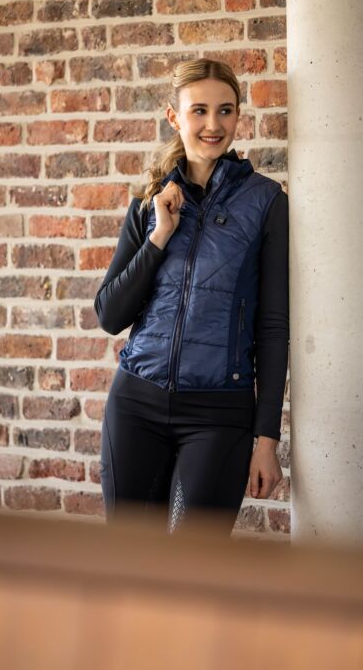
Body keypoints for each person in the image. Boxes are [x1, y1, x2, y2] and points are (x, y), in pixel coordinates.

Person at [94, 58, 289, 536]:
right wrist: (159, 236)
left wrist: (267, 439)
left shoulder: (266, 202)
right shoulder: (150, 201)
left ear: (238, 116)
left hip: (219, 413)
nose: (213, 124)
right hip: (136, 403)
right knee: (128, 558)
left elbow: (272, 325)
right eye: (199, 110)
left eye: (225, 110)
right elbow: (111, 314)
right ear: (174, 117)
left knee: (194, 564)